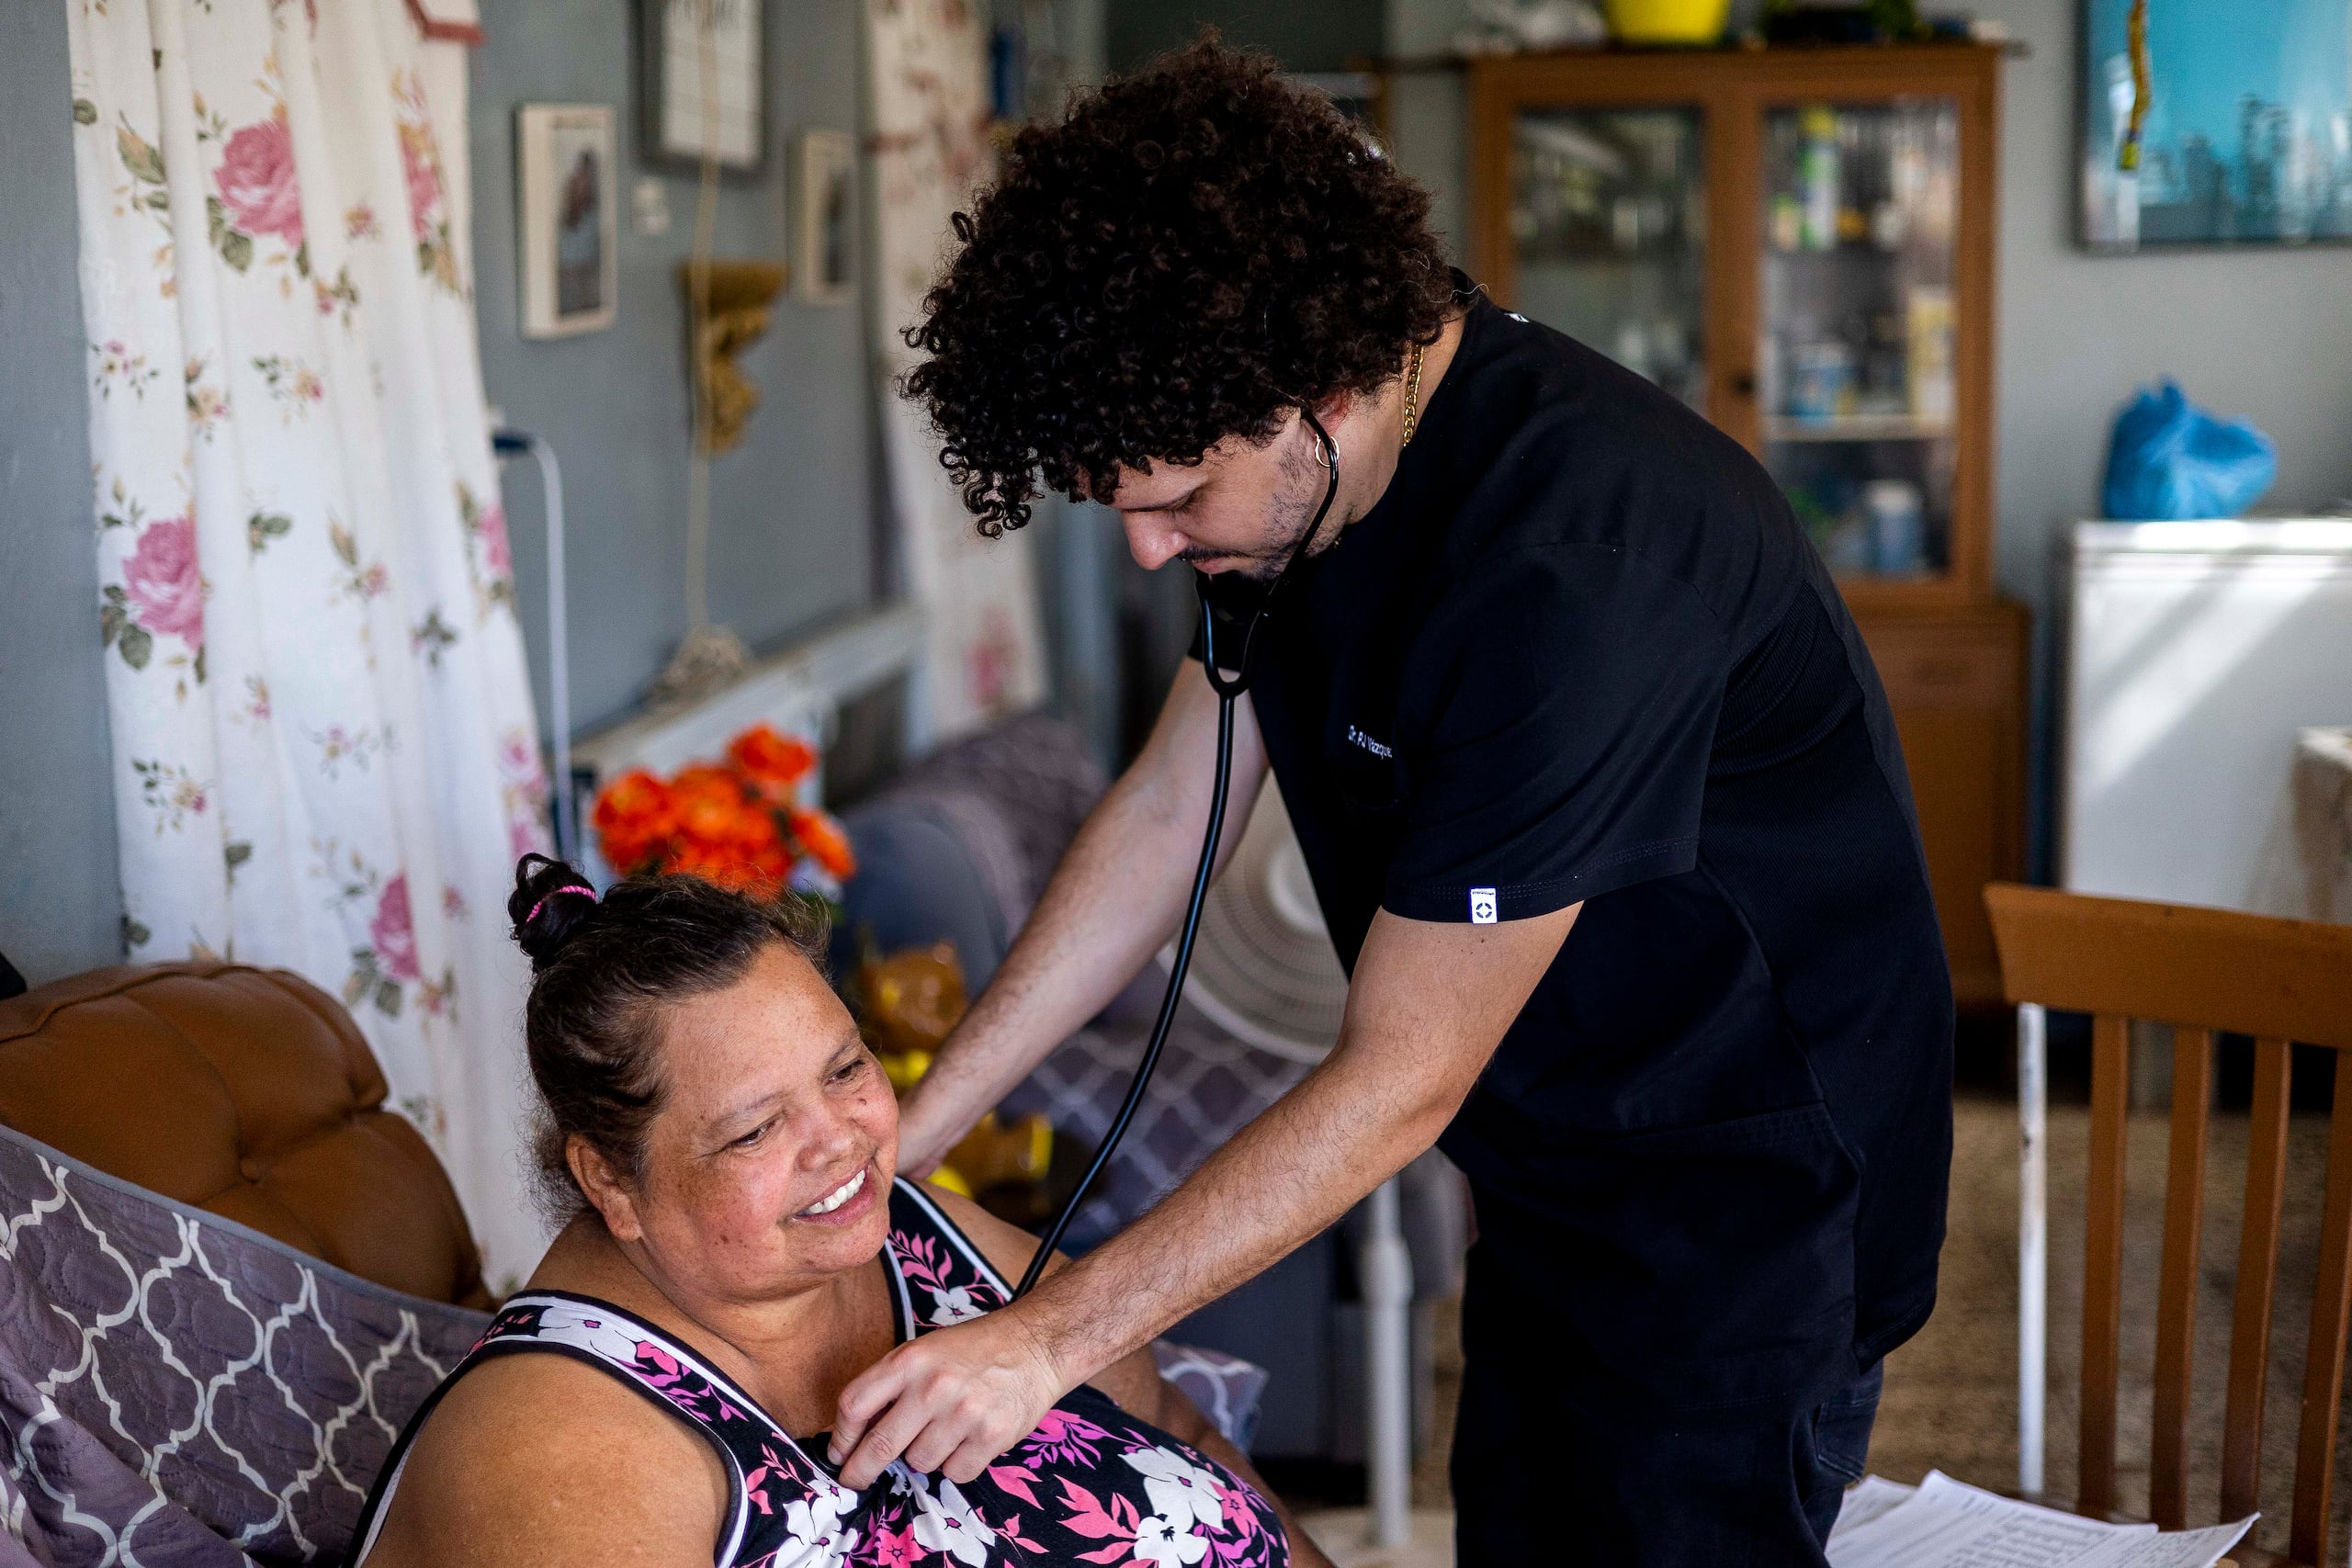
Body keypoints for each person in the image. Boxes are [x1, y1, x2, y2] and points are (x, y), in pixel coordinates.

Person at [828, 41, 1955, 1564]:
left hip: (1749, 1195)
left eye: (1175, 501)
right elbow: (1170, 814)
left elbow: (1397, 1078)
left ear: (1329, 390)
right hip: (1554, 1167)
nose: (1151, 554)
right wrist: (913, 1131)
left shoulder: (1575, 570)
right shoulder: (1294, 495)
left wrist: (1048, 1339)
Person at [348, 856, 1325, 1568]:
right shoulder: (561, 1459)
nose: (843, 1143)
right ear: (609, 1181)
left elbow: (1188, 1436)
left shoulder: (941, 1247)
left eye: (847, 1068)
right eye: (755, 1132)